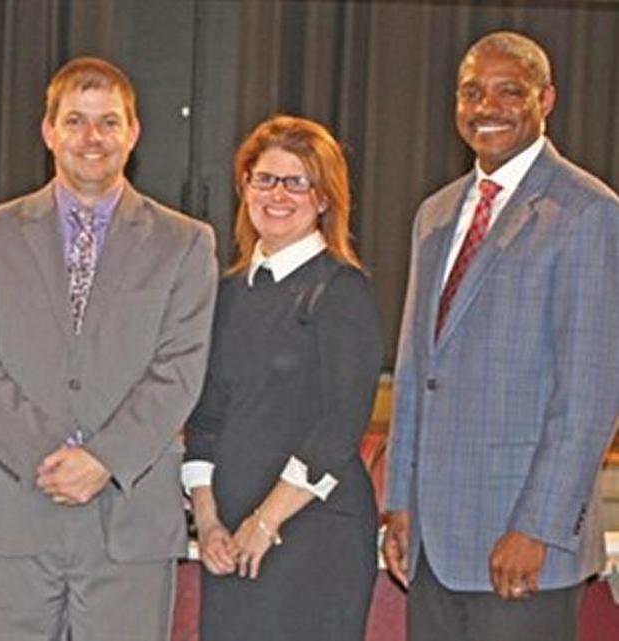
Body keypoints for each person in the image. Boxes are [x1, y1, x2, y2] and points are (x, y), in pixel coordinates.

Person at [0, 56, 217, 640]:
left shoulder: (186, 243)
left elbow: (180, 369)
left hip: (130, 522)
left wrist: (103, 460)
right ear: (49, 131)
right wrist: (46, 456)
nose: (92, 137)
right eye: (75, 121)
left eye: (108, 122)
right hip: (13, 513)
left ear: (133, 131)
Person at [382, 31, 619, 641]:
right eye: (471, 92)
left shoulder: (588, 212)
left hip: (523, 549)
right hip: (433, 544)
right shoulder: (434, 214)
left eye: (509, 91)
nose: (486, 107)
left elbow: (590, 393)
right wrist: (401, 502)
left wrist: (537, 526)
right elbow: (416, 374)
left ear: (546, 99)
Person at [183, 115, 383, 641]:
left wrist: (266, 521)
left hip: (316, 537)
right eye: (265, 179)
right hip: (232, 539)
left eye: (297, 182)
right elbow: (204, 418)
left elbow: (340, 425)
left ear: (324, 198)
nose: (278, 194)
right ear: (244, 187)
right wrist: (209, 521)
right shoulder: (228, 293)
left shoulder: (341, 291)